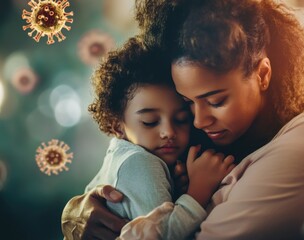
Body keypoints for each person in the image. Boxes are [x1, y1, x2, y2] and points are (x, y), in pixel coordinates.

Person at [61, 0, 304, 239]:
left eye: (216, 101)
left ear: (262, 74)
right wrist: (77, 210)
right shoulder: (190, 138)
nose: (198, 121)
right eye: (187, 103)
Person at [63, 36, 235, 240]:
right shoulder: (140, 162)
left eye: (181, 119)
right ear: (116, 125)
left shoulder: (118, 158)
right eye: (150, 121)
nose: (168, 132)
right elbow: (159, 236)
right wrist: (198, 191)